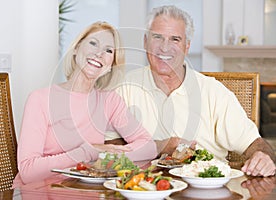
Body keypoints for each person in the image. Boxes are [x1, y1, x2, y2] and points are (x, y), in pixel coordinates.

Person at [106, 5, 275, 177]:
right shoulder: (124, 87)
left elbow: (256, 144)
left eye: (175, 39)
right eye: (157, 37)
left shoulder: (214, 92)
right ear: (145, 42)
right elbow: (109, 146)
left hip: (206, 188)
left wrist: (263, 158)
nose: (165, 48)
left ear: (187, 46)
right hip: (143, 186)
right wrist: (159, 146)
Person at [13, 21, 157, 186]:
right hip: (38, 192)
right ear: (76, 49)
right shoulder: (40, 99)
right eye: (93, 43)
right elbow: (28, 172)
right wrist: (89, 151)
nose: (99, 53)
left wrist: (105, 155)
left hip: (84, 190)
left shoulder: (109, 100)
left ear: (111, 65)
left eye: (108, 50)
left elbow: (149, 147)